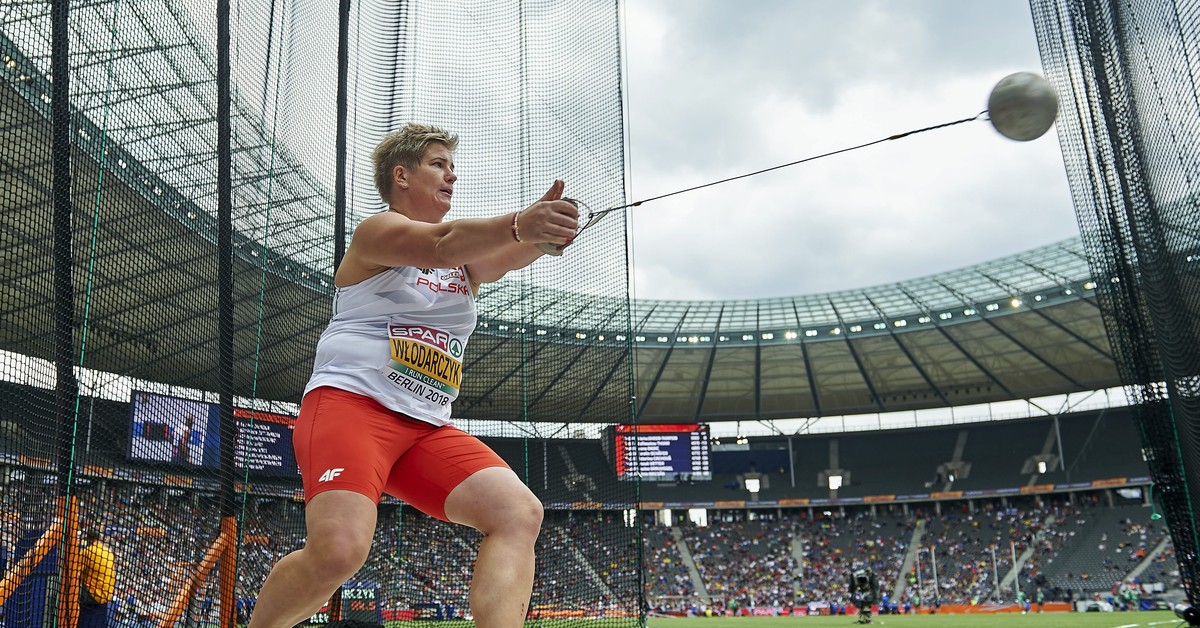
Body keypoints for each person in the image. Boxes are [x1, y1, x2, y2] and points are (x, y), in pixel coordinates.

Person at [246, 123, 578, 628]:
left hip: (425, 425)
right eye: (438, 164)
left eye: (451, 166)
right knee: (338, 553)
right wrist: (519, 224)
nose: (452, 175)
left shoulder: (464, 267)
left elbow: (502, 256)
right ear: (401, 176)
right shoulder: (376, 232)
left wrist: (545, 234)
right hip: (352, 405)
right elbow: (444, 244)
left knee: (518, 513)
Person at [78, 529, 116, 628]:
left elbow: (74, 573)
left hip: (93, 595)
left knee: (60, 593)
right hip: (107, 596)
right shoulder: (108, 552)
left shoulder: (87, 551)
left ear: (89, 539)